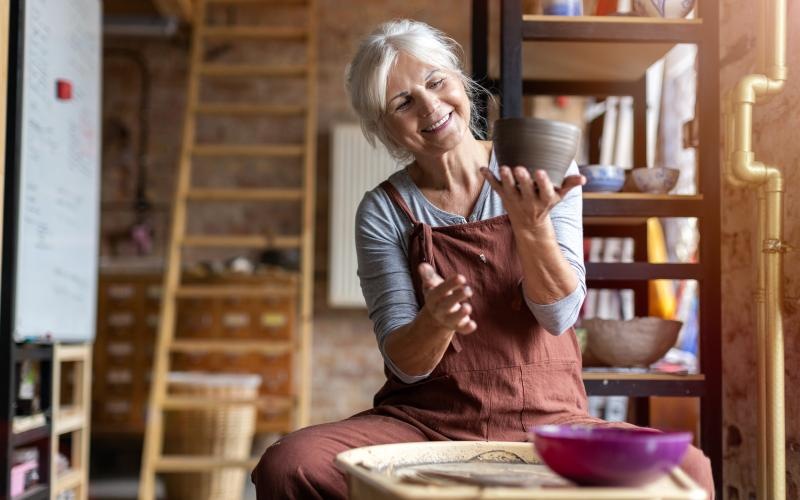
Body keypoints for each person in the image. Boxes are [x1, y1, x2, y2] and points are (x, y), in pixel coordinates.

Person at [252, 19, 715, 499]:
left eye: (436, 82)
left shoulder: (540, 169)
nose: (430, 107)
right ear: (382, 127)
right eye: (402, 102)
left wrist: (532, 226)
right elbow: (406, 365)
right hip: (427, 425)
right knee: (290, 464)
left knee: (687, 468)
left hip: (550, 421)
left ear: (460, 81)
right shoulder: (383, 209)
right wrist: (436, 321)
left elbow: (558, 315)